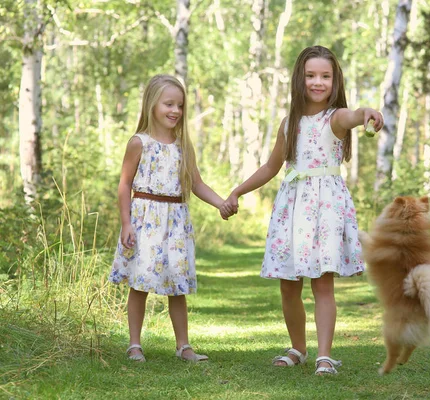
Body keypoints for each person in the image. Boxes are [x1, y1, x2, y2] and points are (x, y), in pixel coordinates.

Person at [220, 45, 383, 375]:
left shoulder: (335, 117)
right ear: (299, 79)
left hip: (325, 208)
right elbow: (270, 166)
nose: (317, 82)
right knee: (288, 284)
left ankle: (325, 356)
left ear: (335, 80)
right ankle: (299, 348)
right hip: (292, 208)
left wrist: (367, 111)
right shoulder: (288, 123)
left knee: (322, 283)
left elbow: (354, 115)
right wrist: (238, 190)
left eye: (325, 76)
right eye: (310, 75)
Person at [109, 74, 228, 363]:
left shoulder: (183, 146)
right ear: (152, 104)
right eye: (169, 104)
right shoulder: (139, 143)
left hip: (175, 221)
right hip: (145, 218)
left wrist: (220, 203)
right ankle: (134, 344)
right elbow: (124, 184)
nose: (175, 111)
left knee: (177, 285)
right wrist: (126, 223)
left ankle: (183, 346)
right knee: (140, 283)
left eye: (180, 105)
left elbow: (196, 183)